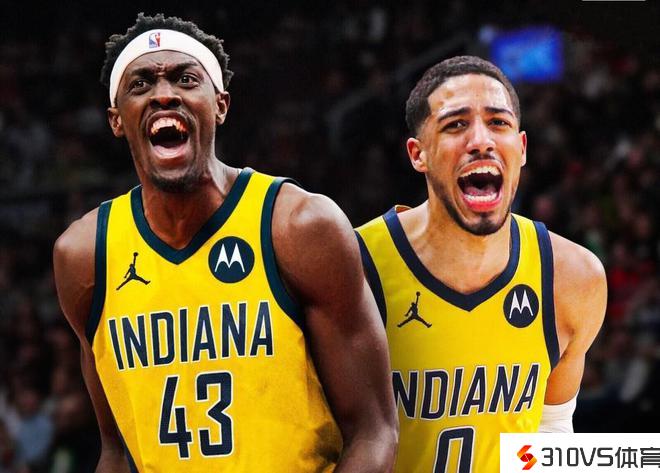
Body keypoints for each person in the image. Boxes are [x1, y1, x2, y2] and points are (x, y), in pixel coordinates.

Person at [53, 13, 397, 473]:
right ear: (117, 120)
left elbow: (374, 432)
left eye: (185, 79)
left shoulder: (298, 226)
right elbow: (116, 452)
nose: (164, 94)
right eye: (141, 84)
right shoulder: (84, 255)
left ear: (220, 104)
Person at [356, 56, 606, 472]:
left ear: (521, 148)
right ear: (418, 154)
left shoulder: (572, 278)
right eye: (456, 124)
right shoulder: (353, 266)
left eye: (498, 122)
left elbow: (551, 429)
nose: (481, 140)